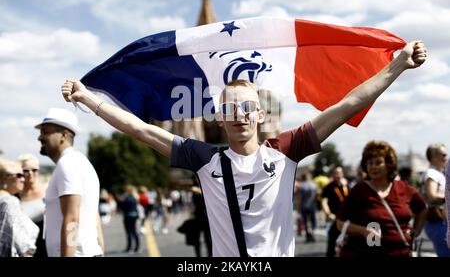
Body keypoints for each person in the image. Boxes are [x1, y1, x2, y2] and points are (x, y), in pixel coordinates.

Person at [61, 41, 427, 256]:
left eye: (247, 107)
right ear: (219, 118)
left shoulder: (286, 149)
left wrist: (397, 66)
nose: (240, 115)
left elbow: (347, 105)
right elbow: (139, 129)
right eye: (230, 109)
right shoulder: (203, 158)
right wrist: (88, 98)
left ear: (261, 114)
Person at [336, 141, 427, 257]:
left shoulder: (403, 188)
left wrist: (416, 231)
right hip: (366, 252)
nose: (373, 166)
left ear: (389, 164)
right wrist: (363, 231)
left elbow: (423, 209)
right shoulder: (359, 190)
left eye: (378, 162)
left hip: (402, 252)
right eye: (369, 163)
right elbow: (340, 223)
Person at [35, 108, 104, 257]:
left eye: (45, 132)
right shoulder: (77, 162)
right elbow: (94, 217)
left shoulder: (68, 164)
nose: (40, 137)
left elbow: (72, 218)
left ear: (64, 135)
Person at [0, 159, 39, 257]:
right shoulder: (9, 202)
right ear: (3, 178)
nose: (23, 179)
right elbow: (20, 244)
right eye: (19, 175)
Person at [421, 143, 450, 256]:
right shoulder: (431, 173)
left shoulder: (438, 174)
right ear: (434, 157)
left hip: (441, 220)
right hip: (438, 221)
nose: (446, 157)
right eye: (443, 154)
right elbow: (432, 195)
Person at [18, 154, 47, 257]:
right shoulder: (15, 196)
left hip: (46, 248)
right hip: (23, 250)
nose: (30, 173)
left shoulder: (48, 192)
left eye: (34, 170)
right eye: (26, 170)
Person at [321, 166, 349, 257]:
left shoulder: (347, 187)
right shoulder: (329, 187)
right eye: (336, 173)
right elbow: (324, 202)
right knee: (332, 242)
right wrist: (328, 214)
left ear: (342, 174)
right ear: (333, 175)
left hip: (348, 219)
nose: (338, 175)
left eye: (339, 173)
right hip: (335, 219)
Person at [298, 172, 317, 242]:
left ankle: (308, 236)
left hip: (304, 206)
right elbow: (316, 195)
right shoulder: (313, 185)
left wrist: (298, 208)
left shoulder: (301, 186)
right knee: (313, 221)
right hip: (312, 205)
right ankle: (313, 234)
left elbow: (299, 198)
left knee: (306, 222)